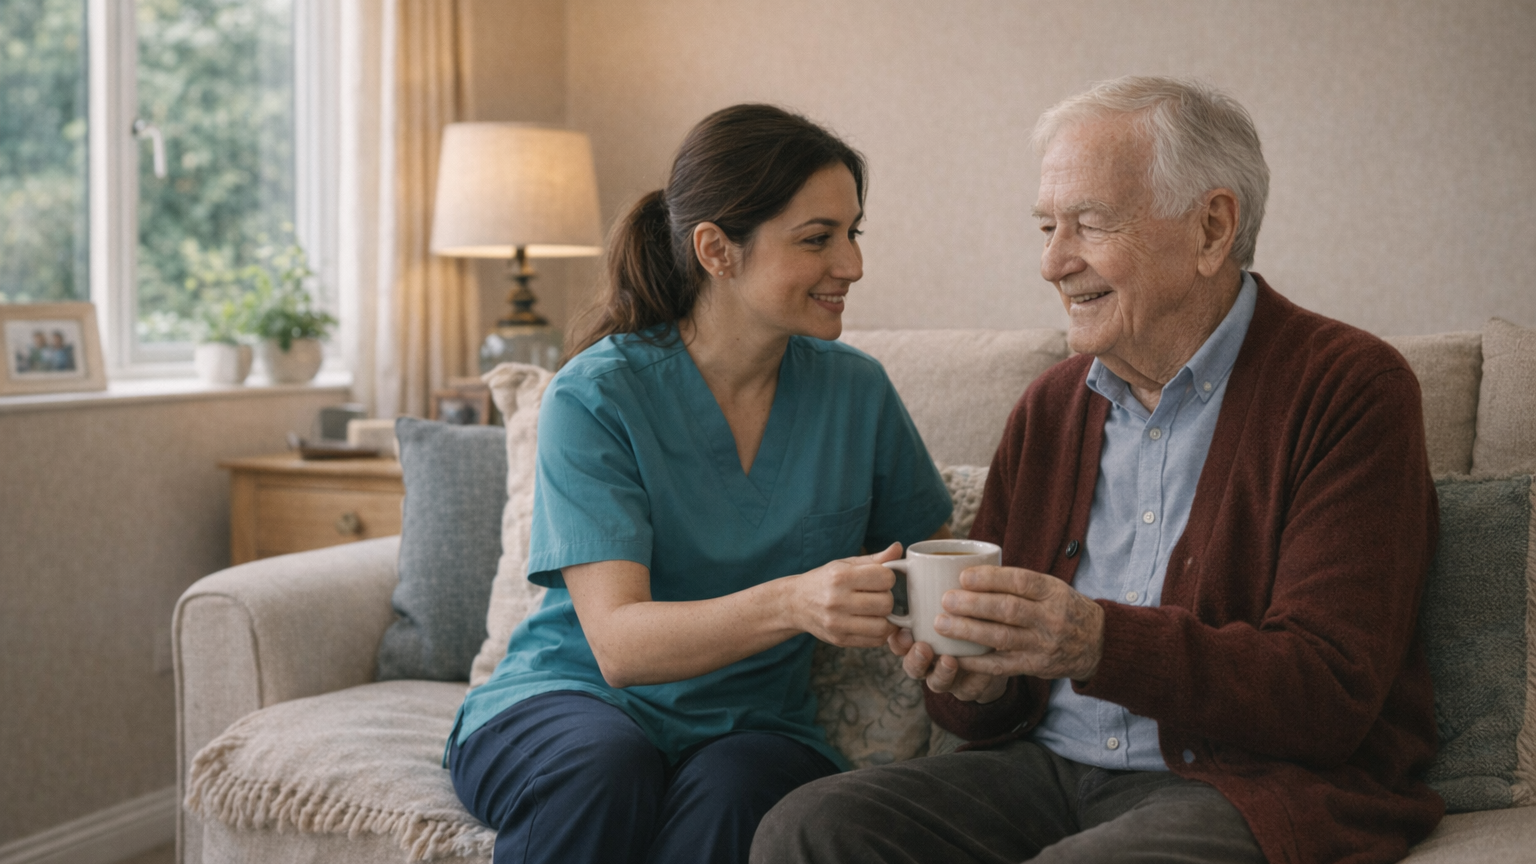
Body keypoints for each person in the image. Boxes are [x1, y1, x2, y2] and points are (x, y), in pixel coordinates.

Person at [753, 76, 1442, 864]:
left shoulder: (1349, 389)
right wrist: (966, 676)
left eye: (1088, 224)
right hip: (1049, 771)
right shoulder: (1052, 406)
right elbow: (991, 706)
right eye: (1047, 226)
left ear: (1213, 227)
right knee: (807, 828)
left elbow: (1330, 693)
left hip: (1251, 784)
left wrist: (1097, 642)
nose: (1052, 262)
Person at [447, 104, 954, 864]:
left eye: (854, 233)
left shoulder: (858, 394)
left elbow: (929, 560)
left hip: (755, 729)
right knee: (605, 770)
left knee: (742, 792)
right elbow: (619, 646)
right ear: (717, 250)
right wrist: (796, 598)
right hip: (570, 701)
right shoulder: (597, 396)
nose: (851, 266)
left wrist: (943, 623)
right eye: (818, 238)